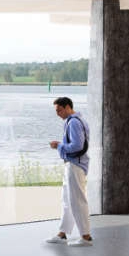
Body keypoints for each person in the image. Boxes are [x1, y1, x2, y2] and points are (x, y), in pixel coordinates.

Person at [46, 96, 93, 246]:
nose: (57, 113)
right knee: (67, 200)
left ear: (67, 107)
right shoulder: (77, 121)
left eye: (59, 110)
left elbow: (77, 146)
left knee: (77, 201)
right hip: (72, 164)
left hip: (75, 165)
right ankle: (62, 233)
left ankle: (86, 237)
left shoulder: (73, 122)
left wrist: (59, 146)